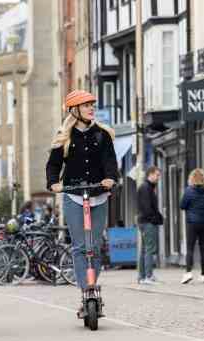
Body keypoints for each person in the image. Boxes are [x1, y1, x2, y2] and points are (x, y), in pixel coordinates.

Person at [46, 89, 119, 314]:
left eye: (91, 105)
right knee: (79, 247)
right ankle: (86, 291)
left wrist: (110, 178)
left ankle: (92, 286)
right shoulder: (64, 137)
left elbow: (110, 161)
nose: (91, 109)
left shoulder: (102, 135)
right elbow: (53, 165)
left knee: (94, 247)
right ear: (75, 110)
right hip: (74, 195)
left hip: (98, 194)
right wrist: (53, 183)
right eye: (86, 105)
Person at [180, 168, 204, 284]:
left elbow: (182, 205)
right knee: (203, 247)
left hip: (192, 223)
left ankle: (188, 273)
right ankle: (203, 275)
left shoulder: (188, 191)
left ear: (191, 178)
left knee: (190, 248)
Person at [136, 166, 164, 284]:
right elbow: (147, 207)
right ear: (150, 174)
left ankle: (142, 277)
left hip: (144, 221)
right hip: (147, 222)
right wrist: (156, 218)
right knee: (149, 249)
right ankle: (148, 276)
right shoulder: (146, 188)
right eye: (157, 175)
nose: (158, 178)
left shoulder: (147, 187)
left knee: (144, 250)